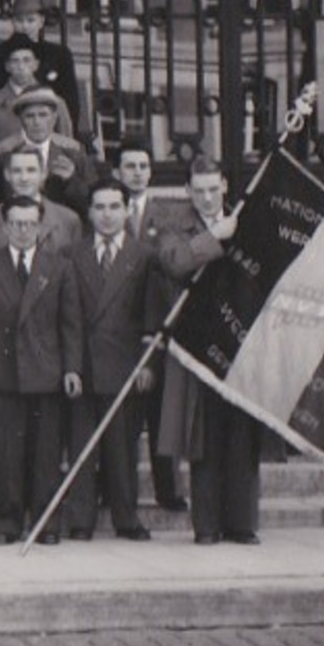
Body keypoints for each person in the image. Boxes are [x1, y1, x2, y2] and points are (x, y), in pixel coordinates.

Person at [0, 195, 84, 545]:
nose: (22, 230)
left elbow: (70, 325)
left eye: (30, 223)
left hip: (46, 373)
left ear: (41, 226)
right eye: (15, 223)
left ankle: (46, 523)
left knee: (46, 455)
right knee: (5, 454)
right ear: (4, 227)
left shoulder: (58, 267)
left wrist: (72, 368)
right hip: (0, 373)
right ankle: (7, 523)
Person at [155, 157, 260, 545]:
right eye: (198, 190)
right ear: (187, 191)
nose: (206, 197)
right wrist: (217, 234)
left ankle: (242, 524)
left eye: (213, 189)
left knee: (241, 436)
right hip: (197, 346)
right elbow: (174, 262)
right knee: (204, 437)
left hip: (241, 344)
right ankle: (208, 526)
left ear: (225, 186)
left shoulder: (249, 220)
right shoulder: (173, 225)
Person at [67, 180, 158, 542]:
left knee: (122, 447)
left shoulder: (143, 255)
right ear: (89, 212)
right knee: (81, 447)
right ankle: (80, 520)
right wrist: (71, 367)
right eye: (100, 207)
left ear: (125, 210)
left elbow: (151, 315)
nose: (107, 215)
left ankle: (126, 517)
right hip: (85, 363)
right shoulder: (71, 255)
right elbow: (68, 317)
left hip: (125, 365)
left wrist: (148, 364)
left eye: (114, 207)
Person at [111, 136, 187, 510]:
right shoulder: (105, 207)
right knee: (119, 420)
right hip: (115, 329)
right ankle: (114, 491)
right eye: (129, 166)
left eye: (143, 166)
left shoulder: (168, 216)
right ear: (117, 171)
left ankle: (168, 490)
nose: (137, 173)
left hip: (155, 324)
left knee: (160, 413)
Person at [0, 86, 96, 212]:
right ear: (21, 120)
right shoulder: (3, 155)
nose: (37, 122)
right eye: (30, 116)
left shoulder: (73, 154)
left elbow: (93, 202)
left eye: (43, 115)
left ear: (54, 118)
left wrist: (71, 180)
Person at [0, 38, 76, 153]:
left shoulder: (56, 102)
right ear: (7, 66)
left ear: (36, 65)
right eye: (15, 61)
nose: (21, 66)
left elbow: (67, 145)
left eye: (26, 60)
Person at [0, 146, 83, 252]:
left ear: (43, 174)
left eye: (31, 170)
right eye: (17, 171)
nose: (24, 178)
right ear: (7, 174)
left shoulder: (68, 219)